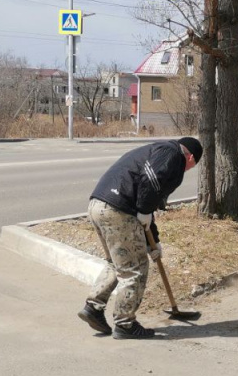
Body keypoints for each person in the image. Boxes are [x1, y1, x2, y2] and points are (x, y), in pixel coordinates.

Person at [78, 137, 203, 339]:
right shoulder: (173, 155)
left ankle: (93, 307)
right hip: (119, 210)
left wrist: (154, 239)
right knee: (134, 269)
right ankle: (125, 324)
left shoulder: (156, 150)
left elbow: (149, 196)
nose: (188, 169)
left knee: (116, 263)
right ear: (190, 156)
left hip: (98, 206)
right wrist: (144, 211)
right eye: (192, 165)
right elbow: (150, 183)